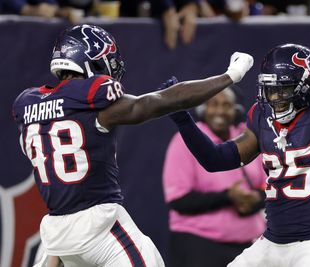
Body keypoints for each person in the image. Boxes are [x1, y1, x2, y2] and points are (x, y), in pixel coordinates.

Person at [12, 24, 253, 266]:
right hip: (99, 224)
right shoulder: (94, 102)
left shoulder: (29, 107)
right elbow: (159, 101)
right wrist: (230, 76)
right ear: (91, 61)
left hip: (56, 230)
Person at [168, 43, 310, 267]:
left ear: (307, 86)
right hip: (271, 240)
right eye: (270, 89)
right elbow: (216, 159)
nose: (274, 97)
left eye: (283, 89)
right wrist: (183, 119)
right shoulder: (262, 117)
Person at [163, 87, 266, 267]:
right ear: (203, 110)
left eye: (226, 105)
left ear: (236, 110)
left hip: (249, 246)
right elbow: (179, 200)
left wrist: (255, 199)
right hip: (199, 245)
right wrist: (228, 197)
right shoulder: (184, 141)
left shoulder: (247, 136)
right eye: (214, 104)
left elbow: (269, 185)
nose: (220, 111)